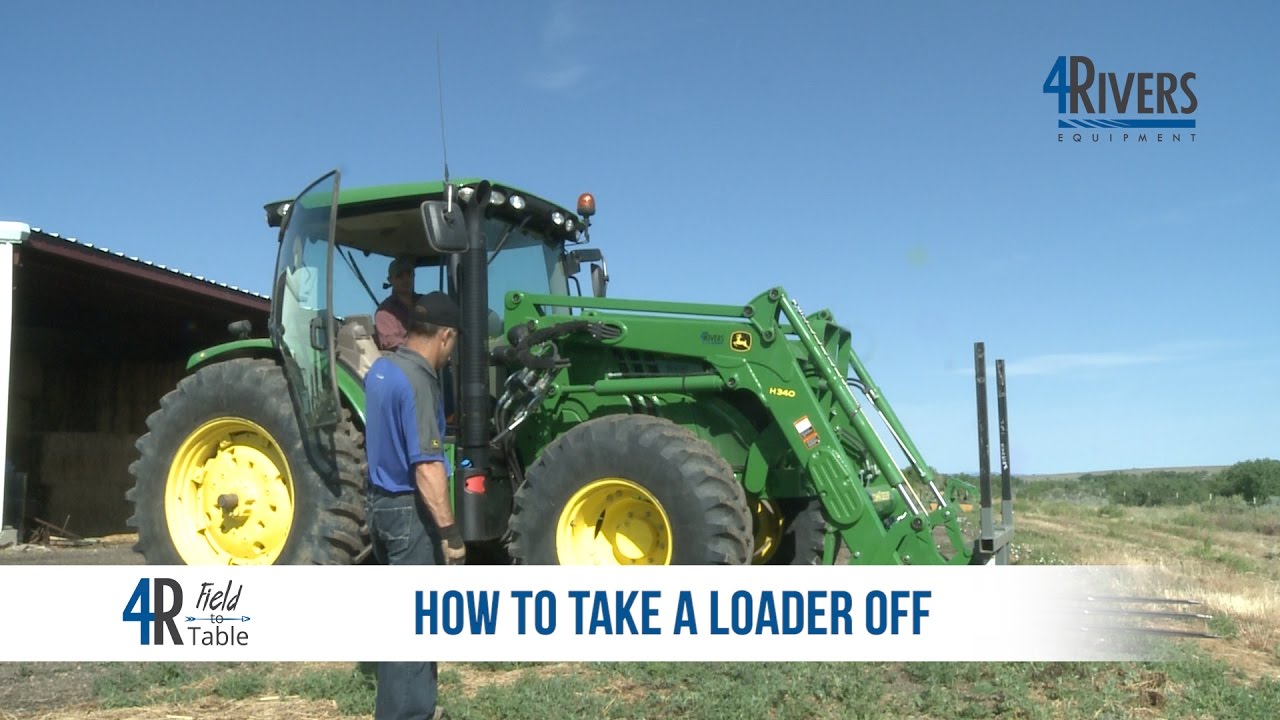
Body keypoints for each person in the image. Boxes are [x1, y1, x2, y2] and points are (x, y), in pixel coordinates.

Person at [364, 291, 466, 720]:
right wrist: (451, 534)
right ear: (445, 336)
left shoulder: (382, 369)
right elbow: (427, 468)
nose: (452, 352)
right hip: (409, 512)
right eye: (454, 342)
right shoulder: (420, 381)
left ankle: (413, 707)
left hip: (380, 504)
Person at [374, 254, 421, 350]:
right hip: (405, 358)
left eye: (408, 274)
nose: (406, 279)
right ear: (390, 280)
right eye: (400, 276)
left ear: (414, 275)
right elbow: (392, 342)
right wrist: (424, 347)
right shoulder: (385, 311)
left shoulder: (425, 302)